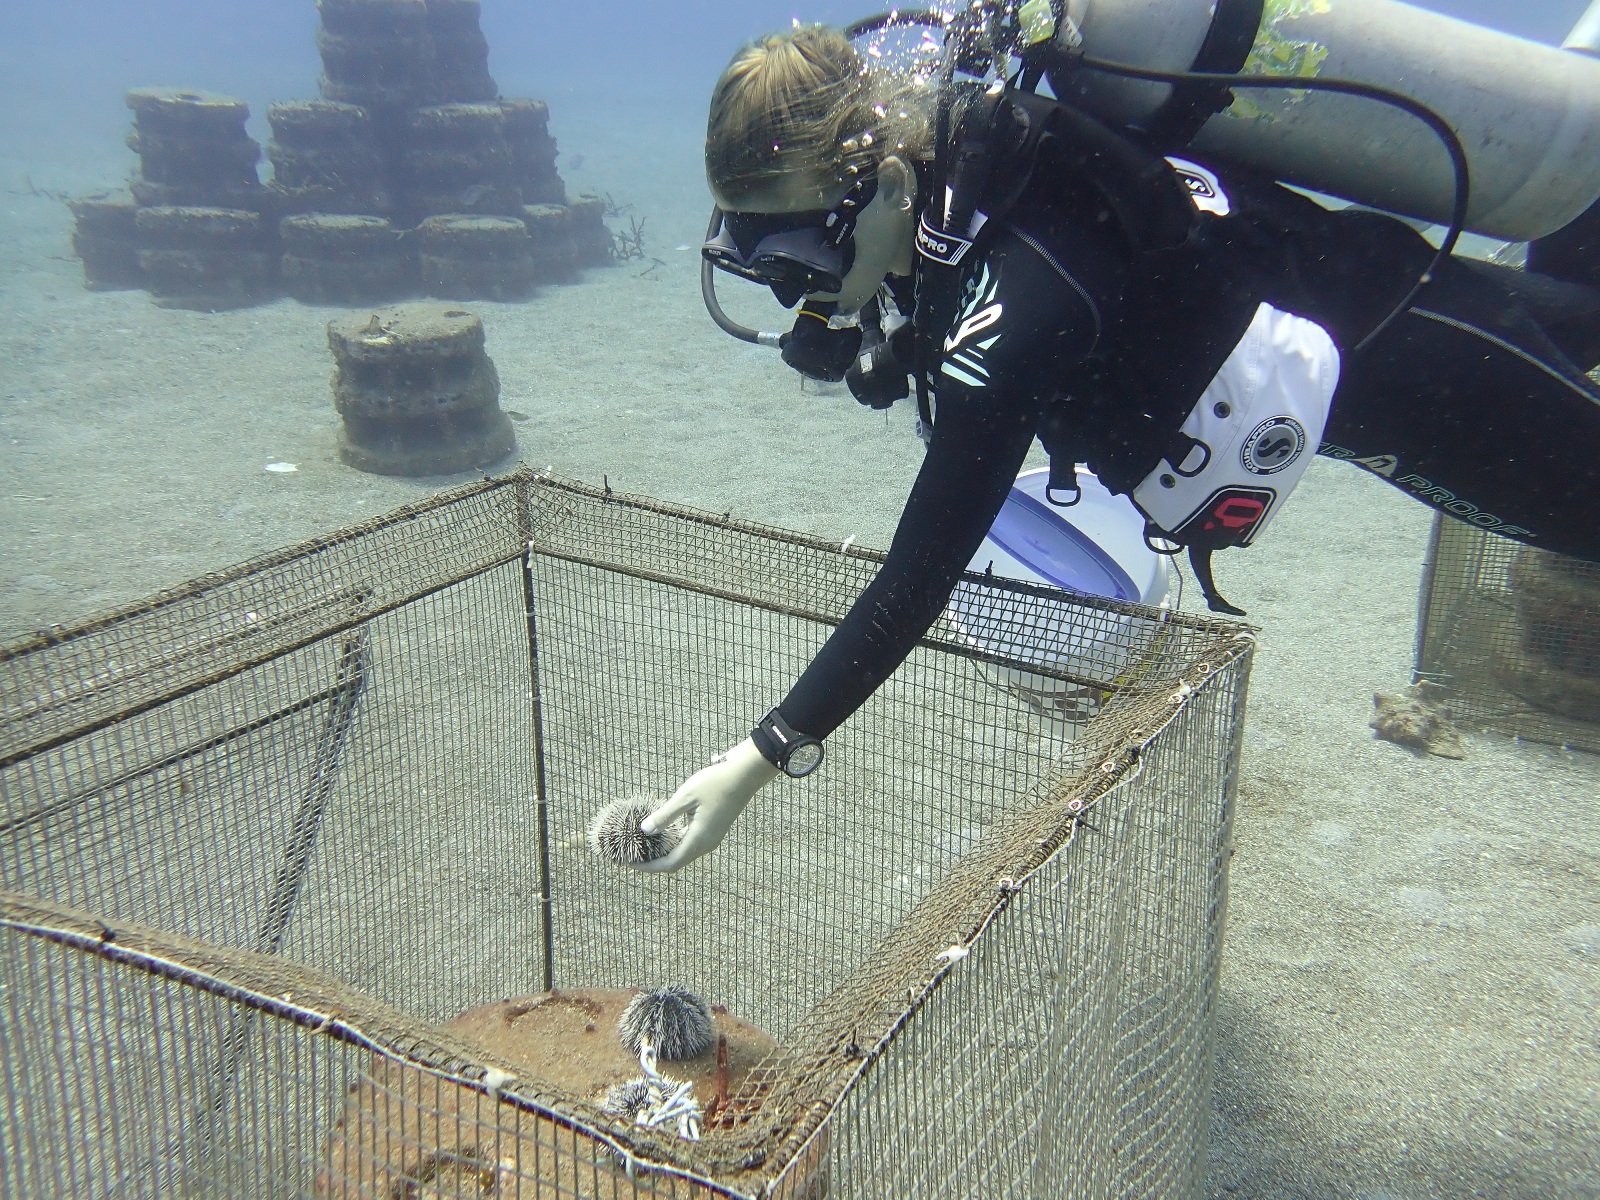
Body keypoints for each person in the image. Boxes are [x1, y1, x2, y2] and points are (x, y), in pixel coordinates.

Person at [632, 23, 1600, 873]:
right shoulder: (948, 180)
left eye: (797, 262)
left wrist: (760, 756)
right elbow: (915, 316)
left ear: (886, 181)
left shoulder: (1014, 305)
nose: (790, 297)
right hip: (1365, 313)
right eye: (754, 263)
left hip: (1406, 361)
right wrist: (862, 325)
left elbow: (917, 573)